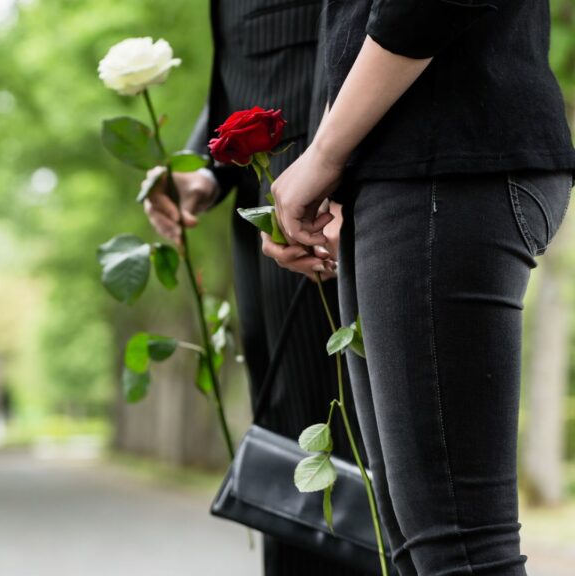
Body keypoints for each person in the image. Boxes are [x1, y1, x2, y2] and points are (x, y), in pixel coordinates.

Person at [263, 0, 574, 573]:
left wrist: (329, 153)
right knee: (418, 547)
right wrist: (332, 158)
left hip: (444, 159)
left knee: (457, 549)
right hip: (405, 168)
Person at [142, 1, 364, 574]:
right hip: (268, 235)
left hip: (335, 220)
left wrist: (344, 172)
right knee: (296, 482)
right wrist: (206, 169)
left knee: (359, 483)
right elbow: (248, 70)